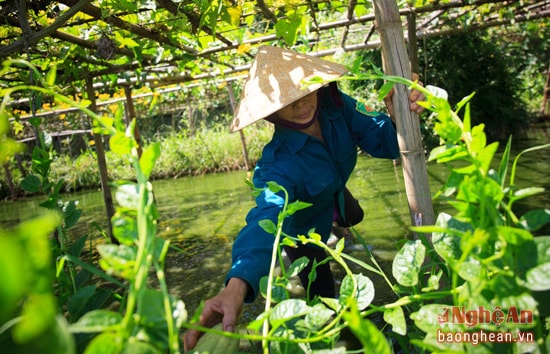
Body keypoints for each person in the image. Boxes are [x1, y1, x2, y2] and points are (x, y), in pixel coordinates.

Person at [184, 46, 424, 350]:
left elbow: (389, 144)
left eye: (302, 90)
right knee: (322, 293)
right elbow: (265, 217)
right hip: (302, 233)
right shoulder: (276, 167)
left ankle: (340, 222)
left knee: (354, 214)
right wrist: (236, 286)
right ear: (271, 113)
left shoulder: (339, 110)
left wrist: (397, 115)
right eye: (286, 101)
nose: (300, 105)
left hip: (332, 193)